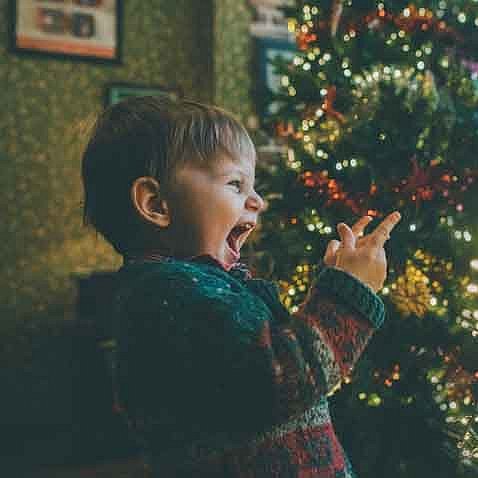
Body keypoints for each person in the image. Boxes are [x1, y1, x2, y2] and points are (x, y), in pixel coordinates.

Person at [81, 95, 401, 477]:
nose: (258, 201)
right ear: (156, 204)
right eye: (236, 184)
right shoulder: (166, 295)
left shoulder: (202, 288)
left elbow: (278, 351)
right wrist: (347, 293)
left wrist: (330, 284)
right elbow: (280, 377)